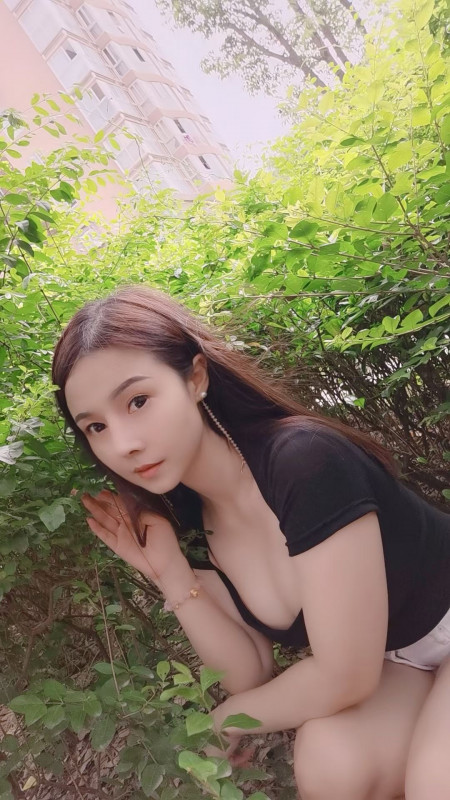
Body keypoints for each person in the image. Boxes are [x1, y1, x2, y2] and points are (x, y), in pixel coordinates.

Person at [52, 284, 450, 800]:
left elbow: (345, 676)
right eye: (96, 427)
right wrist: (169, 572)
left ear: (195, 378)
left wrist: (223, 721)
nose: (123, 444)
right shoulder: (187, 519)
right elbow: (249, 672)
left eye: (138, 401)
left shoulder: (303, 462)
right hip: (399, 660)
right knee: (332, 766)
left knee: (435, 784)